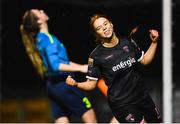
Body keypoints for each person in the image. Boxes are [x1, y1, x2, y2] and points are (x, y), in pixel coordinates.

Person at [66, 14, 162, 123]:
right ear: (97, 33)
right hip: (122, 104)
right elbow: (91, 84)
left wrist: (154, 42)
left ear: (111, 24)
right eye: (99, 28)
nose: (104, 28)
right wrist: (76, 84)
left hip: (142, 97)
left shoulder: (128, 42)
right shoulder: (96, 56)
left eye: (105, 24)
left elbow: (144, 60)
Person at [20, 9, 97, 123]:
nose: (42, 10)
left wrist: (81, 66)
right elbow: (56, 65)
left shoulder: (39, 39)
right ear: (39, 21)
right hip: (64, 83)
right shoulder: (48, 39)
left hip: (52, 86)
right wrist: (81, 68)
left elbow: (62, 62)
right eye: (39, 12)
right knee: (91, 118)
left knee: (62, 120)